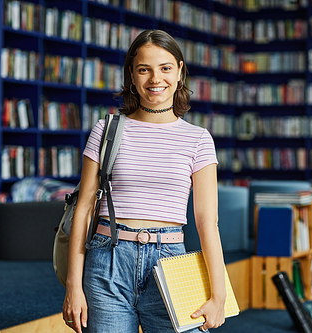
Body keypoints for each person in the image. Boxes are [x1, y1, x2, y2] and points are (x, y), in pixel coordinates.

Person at [62, 29, 226, 333]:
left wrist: (219, 295)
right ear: (132, 75)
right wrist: (73, 285)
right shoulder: (106, 129)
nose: (155, 79)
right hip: (107, 261)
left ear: (179, 71)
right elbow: (83, 209)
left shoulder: (198, 139)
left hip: (171, 263)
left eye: (165, 68)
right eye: (144, 69)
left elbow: (207, 222)